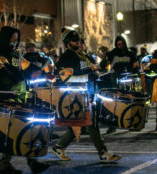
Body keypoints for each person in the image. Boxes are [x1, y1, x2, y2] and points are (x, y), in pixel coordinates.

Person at [51, 27, 121, 162]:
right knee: (90, 123)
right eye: (74, 40)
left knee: (80, 123)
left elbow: (91, 70)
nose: (77, 42)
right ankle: (103, 152)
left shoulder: (83, 56)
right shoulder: (66, 57)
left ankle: (59, 147)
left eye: (78, 40)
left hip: (88, 93)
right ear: (67, 43)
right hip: (75, 95)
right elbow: (66, 78)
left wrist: (100, 69)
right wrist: (88, 77)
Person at [0, 26, 50, 174]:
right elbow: (5, 75)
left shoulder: (16, 54)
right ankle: (0, 166)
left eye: (17, 38)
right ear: (6, 38)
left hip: (20, 97)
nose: (16, 41)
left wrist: (43, 72)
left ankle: (30, 163)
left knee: (24, 129)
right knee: (10, 133)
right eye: (13, 38)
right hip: (7, 99)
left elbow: (28, 67)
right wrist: (21, 75)